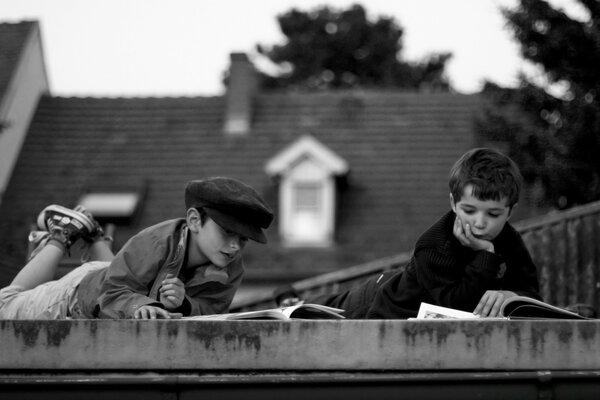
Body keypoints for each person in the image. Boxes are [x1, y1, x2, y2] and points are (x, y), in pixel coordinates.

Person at [277, 147, 541, 319]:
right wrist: (485, 255)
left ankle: (295, 300)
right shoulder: (433, 244)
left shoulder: (510, 240)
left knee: (329, 302)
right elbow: (456, 306)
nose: (480, 222)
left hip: (407, 285)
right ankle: (291, 302)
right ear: (453, 204)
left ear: (510, 212)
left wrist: (511, 295)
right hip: (380, 303)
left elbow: (532, 295)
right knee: (321, 310)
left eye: (493, 214)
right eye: (469, 210)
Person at [0, 177, 273, 320]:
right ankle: (62, 234)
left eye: (244, 238)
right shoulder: (155, 242)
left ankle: (95, 236)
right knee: (6, 304)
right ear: (193, 220)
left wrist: (185, 304)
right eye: (227, 232)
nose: (235, 245)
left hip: (113, 271)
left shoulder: (232, 266)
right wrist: (140, 305)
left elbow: (213, 312)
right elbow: (111, 292)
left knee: (110, 270)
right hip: (76, 297)